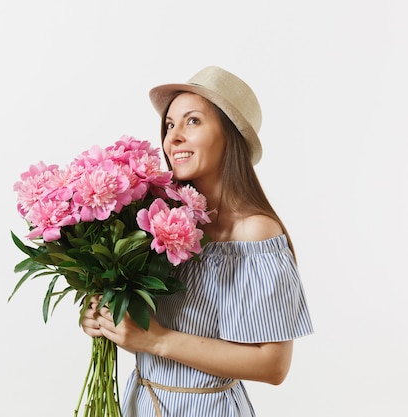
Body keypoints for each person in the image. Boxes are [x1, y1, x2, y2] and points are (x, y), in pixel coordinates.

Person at [80, 66, 314, 417]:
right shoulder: (160, 224)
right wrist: (108, 320)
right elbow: (161, 339)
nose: (173, 138)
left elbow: (273, 365)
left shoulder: (254, 233)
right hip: (143, 403)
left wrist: (156, 339)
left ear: (230, 135)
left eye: (192, 121)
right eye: (170, 125)